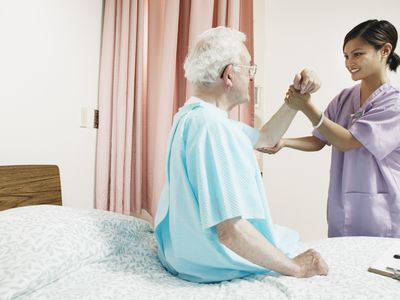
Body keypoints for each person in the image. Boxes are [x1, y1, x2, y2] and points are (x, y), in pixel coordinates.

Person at [154, 26, 328, 283]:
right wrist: (295, 268)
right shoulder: (210, 127)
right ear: (229, 74)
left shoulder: (192, 116)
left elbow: (266, 139)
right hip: (205, 262)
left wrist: (297, 97)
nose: (250, 78)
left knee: (284, 236)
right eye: (249, 69)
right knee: (291, 247)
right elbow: (231, 231)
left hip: (182, 255)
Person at [260, 19, 400, 238]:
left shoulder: (394, 105)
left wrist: (306, 106)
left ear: (385, 50)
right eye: (346, 56)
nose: (349, 62)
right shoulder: (345, 98)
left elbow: (347, 141)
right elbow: (321, 139)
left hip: (381, 210)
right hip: (343, 206)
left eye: (358, 54)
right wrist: (285, 143)